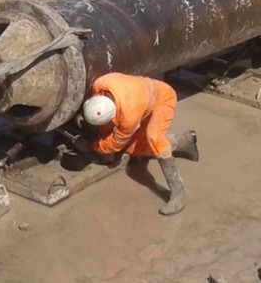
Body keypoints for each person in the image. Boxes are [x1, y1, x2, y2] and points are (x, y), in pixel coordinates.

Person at [79, 72, 198, 216]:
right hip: (144, 96)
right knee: (132, 148)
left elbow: (116, 144)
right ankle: (183, 142)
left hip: (163, 98)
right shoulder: (101, 84)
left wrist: (91, 146)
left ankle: (178, 194)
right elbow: (106, 127)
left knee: (155, 138)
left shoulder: (129, 116)